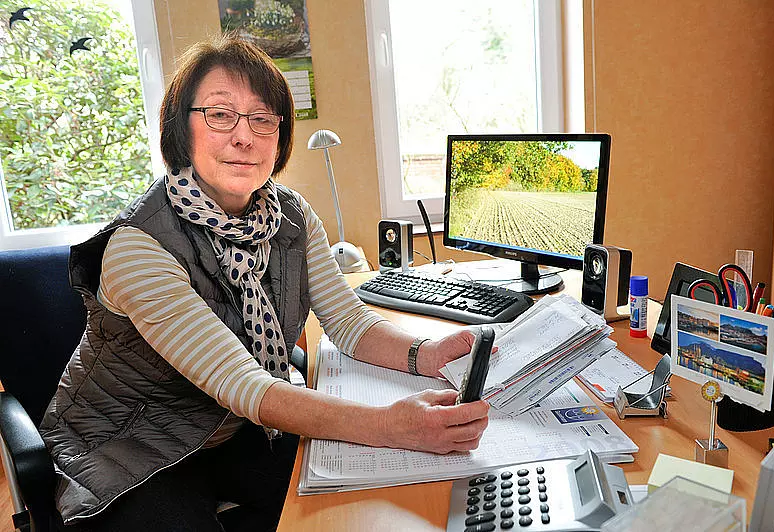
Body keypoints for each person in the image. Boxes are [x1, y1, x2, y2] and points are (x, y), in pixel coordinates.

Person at [39, 33, 490, 532]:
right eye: (220, 114)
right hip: (128, 445)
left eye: (261, 118)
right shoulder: (139, 246)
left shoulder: (291, 216)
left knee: (363, 503)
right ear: (181, 127)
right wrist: (390, 424)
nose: (244, 136)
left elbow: (349, 322)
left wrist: (426, 353)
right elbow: (242, 383)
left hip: (229, 428)